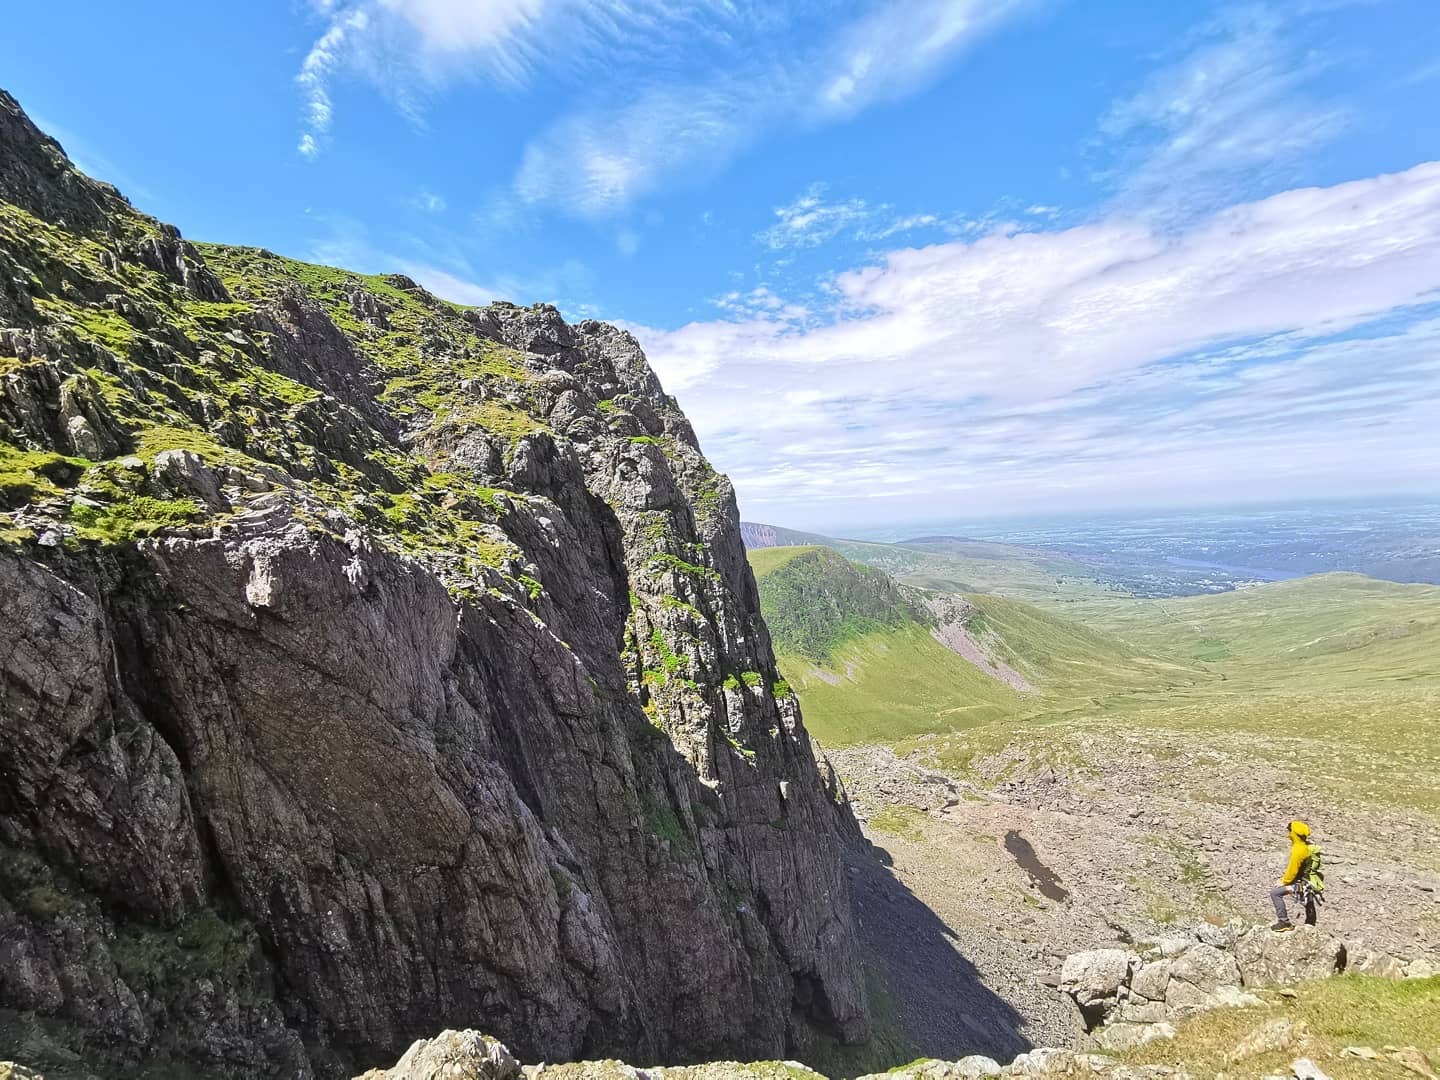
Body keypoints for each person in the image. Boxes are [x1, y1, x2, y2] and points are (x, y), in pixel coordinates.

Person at [1270, 819, 1318, 931]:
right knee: (1308, 900)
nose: (1288, 834)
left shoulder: (1298, 850)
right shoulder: (1305, 846)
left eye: (1290, 831)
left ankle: (1284, 922)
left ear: (1294, 834)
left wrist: (1283, 881)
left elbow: (1292, 872)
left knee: (1275, 893)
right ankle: (1311, 922)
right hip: (1308, 882)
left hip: (1300, 884)